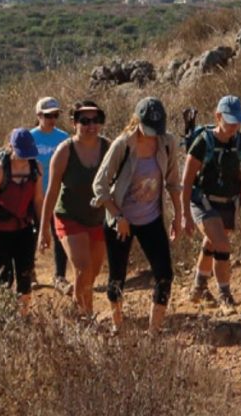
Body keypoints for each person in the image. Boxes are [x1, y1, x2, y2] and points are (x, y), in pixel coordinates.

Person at [92, 97, 182, 334]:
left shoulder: (166, 143)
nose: (153, 134)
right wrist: (118, 217)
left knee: (165, 274)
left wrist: (178, 215)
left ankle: (154, 331)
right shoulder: (123, 144)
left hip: (151, 218)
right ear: (137, 121)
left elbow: (173, 182)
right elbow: (99, 186)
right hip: (121, 220)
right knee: (117, 277)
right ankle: (117, 326)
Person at [181, 95, 241, 311]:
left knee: (212, 242)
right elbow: (187, 181)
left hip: (227, 203)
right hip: (203, 202)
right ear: (218, 117)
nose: (234, 125)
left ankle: (198, 288)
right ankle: (225, 295)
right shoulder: (203, 143)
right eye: (230, 120)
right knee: (222, 244)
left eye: (237, 121)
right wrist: (184, 215)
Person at [39, 101, 110, 317]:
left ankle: (80, 301)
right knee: (83, 267)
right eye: (85, 121)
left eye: (96, 120)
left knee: (93, 272)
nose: (91, 125)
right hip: (69, 216)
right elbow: (51, 192)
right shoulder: (64, 151)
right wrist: (43, 229)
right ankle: (83, 317)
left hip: (98, 217)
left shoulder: (108, 147)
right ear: (74, 123)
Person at [0, 129, 45, 316]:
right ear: (11, 148)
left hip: (24, 230)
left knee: (25, 276)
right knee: (5, 278)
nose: (25, 158)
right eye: (21, 154)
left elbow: (38, 201)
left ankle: (22, 318)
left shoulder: (36, 169)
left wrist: (43, 231)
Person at [30, 97, 73, 295]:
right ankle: (29, 273)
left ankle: (60, 276)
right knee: (31, 235)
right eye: (48, 116)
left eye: (55, 115)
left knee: (59, 235)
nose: (52, 119)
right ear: (38, 115)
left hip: (57, 195)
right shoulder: (30, 138)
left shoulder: (63, 137)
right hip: (33, 195)